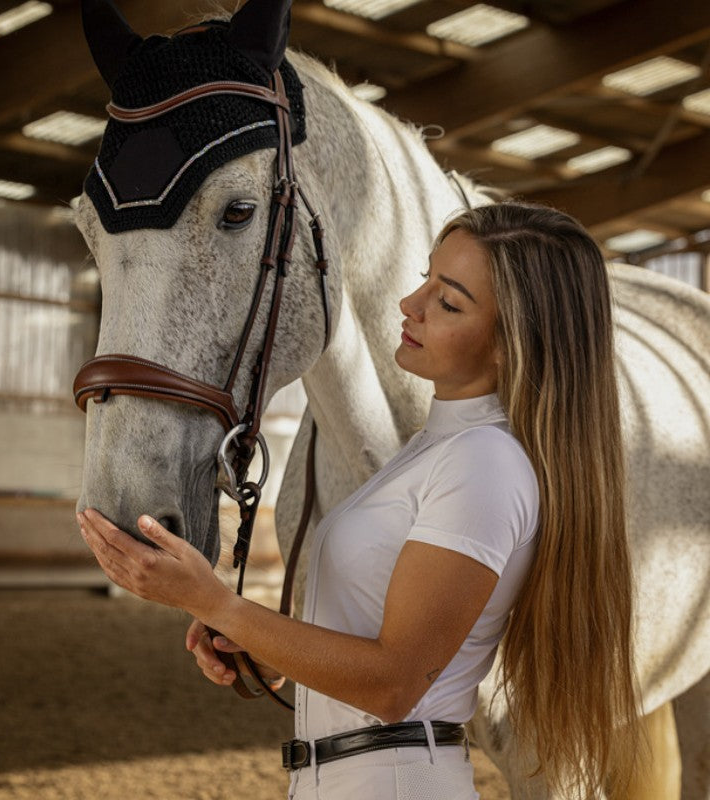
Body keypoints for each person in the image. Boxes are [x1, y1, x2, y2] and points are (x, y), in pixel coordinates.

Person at [78, 201, 642, 799]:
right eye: (426, 278)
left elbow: (395, 682)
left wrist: (216, 603)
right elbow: (376, 642)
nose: (411, 305)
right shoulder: (436, 449)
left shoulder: (484, 463)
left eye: (448, 302)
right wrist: (267, 648)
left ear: (511, 344)